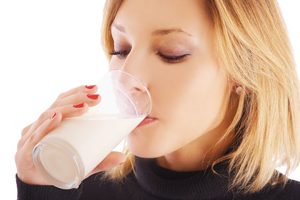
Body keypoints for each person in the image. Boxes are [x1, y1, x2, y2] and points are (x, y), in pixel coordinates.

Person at [15, 0, 300, 199]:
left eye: (171, 53)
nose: (129, 77)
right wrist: (41, 191)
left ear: (245, 69)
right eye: (122, 49)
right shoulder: (78, 192)